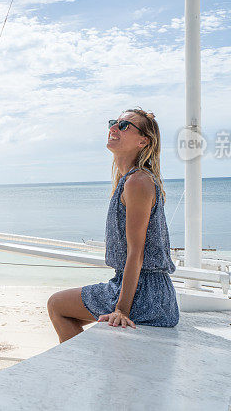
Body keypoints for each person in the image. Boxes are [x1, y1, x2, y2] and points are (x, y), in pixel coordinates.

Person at [47, 108, 179, 343]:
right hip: (146, 290)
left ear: (143, 141)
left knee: (57, 305)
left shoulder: (138, 181)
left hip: (145, 294)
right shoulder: (131, 180)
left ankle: (85, 372)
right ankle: (93, 368)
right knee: (62, 307)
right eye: (114, 123)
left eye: (124, 125)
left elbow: (136, 252)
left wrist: (121, 310)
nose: (114, 128)